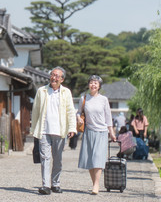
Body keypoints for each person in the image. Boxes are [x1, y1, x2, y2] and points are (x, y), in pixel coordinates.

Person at [30, 66, 76, 195]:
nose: (54, 78)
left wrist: (72, 127)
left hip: (60, 130)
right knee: (45, 157)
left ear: (62, 79)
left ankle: (55, 183)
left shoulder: (66, 92)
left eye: (57, 76)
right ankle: (45, 185)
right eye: (52, 75)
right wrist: (34, 128)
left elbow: (70, 111)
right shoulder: (41, 91)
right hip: (44, 130)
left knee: (58, 159)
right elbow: (35, 111)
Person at [77, 75, 116, 195]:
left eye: (95, 83)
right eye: (91, 83)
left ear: (99, 86)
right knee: (89, 159)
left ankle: (96, 184)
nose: (93, 85)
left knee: (98, 158)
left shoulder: (103, 99)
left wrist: (112, 133)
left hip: (102, 132)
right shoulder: (84, 98)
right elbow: (78, 112)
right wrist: (78, 118)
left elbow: (108, 117)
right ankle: (95, 183)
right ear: (88, 85)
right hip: (89, 131)